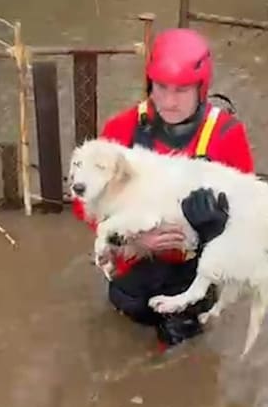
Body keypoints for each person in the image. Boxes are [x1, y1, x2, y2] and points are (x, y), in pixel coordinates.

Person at [71, 27, 256, 351]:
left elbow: (249, 215)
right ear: (149, 84)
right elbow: (84, 202)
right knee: (125, 314)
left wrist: (215, 226)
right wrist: (131, 239)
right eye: (161, 87)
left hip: (191, 268)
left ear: (202, 88)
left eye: (182, 90)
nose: (169, 101)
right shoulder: (121, 129)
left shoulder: (226, 135)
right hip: (133, 263)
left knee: (181, 338)